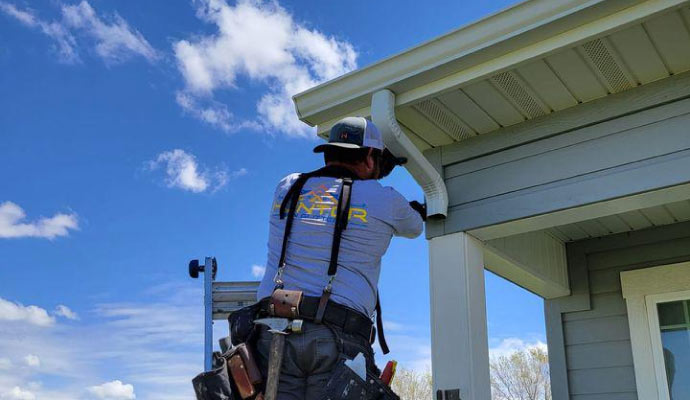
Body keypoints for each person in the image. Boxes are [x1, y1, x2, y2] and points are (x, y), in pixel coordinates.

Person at [254, 116, 425, 400]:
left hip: (273, 333)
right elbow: (415, 226)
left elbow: (329, 203)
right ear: (370, 156)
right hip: (338, 338)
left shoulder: (287, 187)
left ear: (328, 152)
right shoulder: (386, 200)